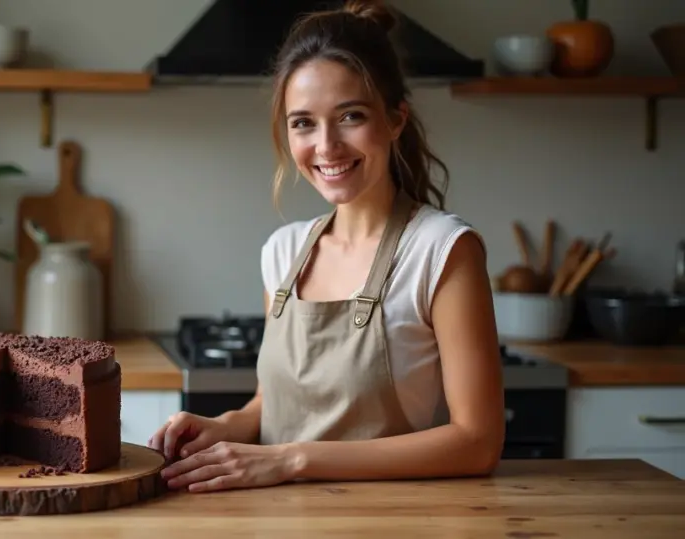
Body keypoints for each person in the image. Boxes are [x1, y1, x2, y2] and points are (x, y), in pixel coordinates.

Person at [149, 0, 506, 493]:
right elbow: (275, 403)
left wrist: (292, 460)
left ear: (396, 120)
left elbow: (478, 442)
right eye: (303, 123)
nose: (326, 146)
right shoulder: (282, 251)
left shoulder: (442, 250)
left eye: (350, 116)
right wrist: (230, 424)